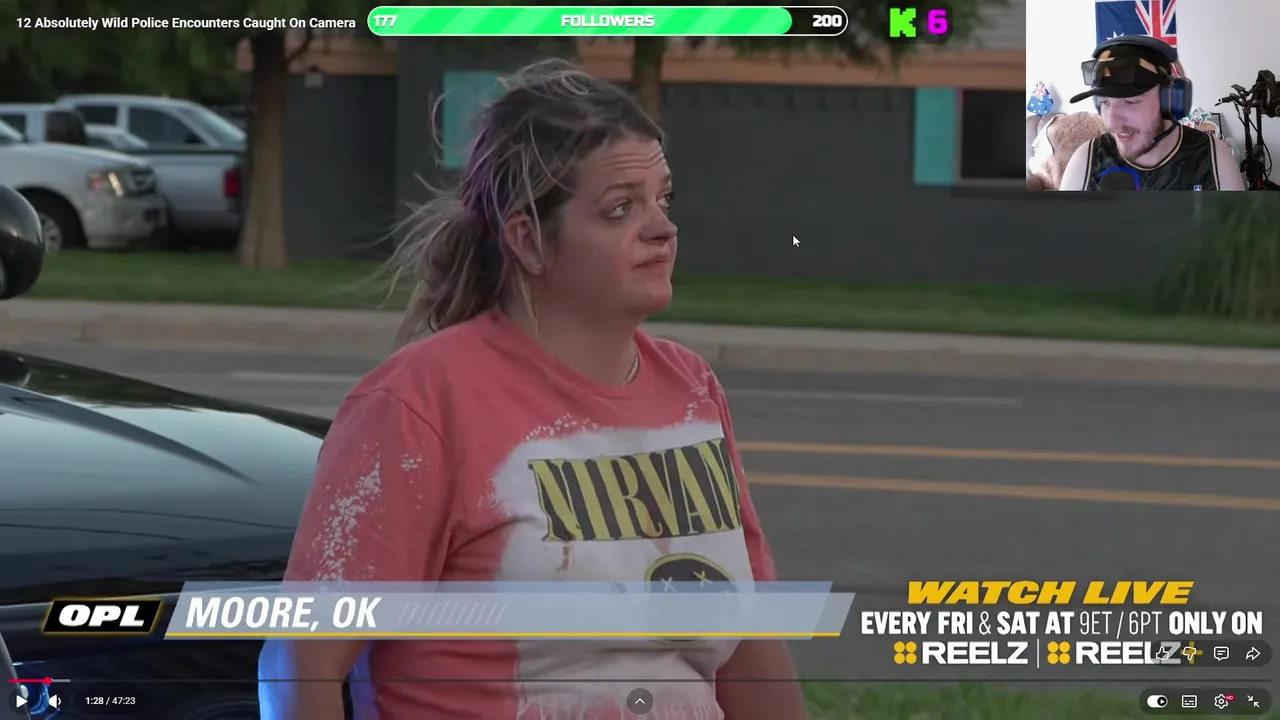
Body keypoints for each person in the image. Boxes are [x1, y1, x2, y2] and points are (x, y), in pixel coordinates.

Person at [258, 59, 806, 720]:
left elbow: (749, 648)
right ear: (528, 239)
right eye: (621, 208)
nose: (663, 229)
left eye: (663, 199)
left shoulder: (692, 389)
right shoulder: (422, 400)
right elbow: (299, 665)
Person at [1059, 36, 1244, 191]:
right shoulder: (1085, 162)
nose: (1112, 123)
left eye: (1130, 102)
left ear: (1170, 100)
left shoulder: (1215, 157)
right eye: (1105, 102)